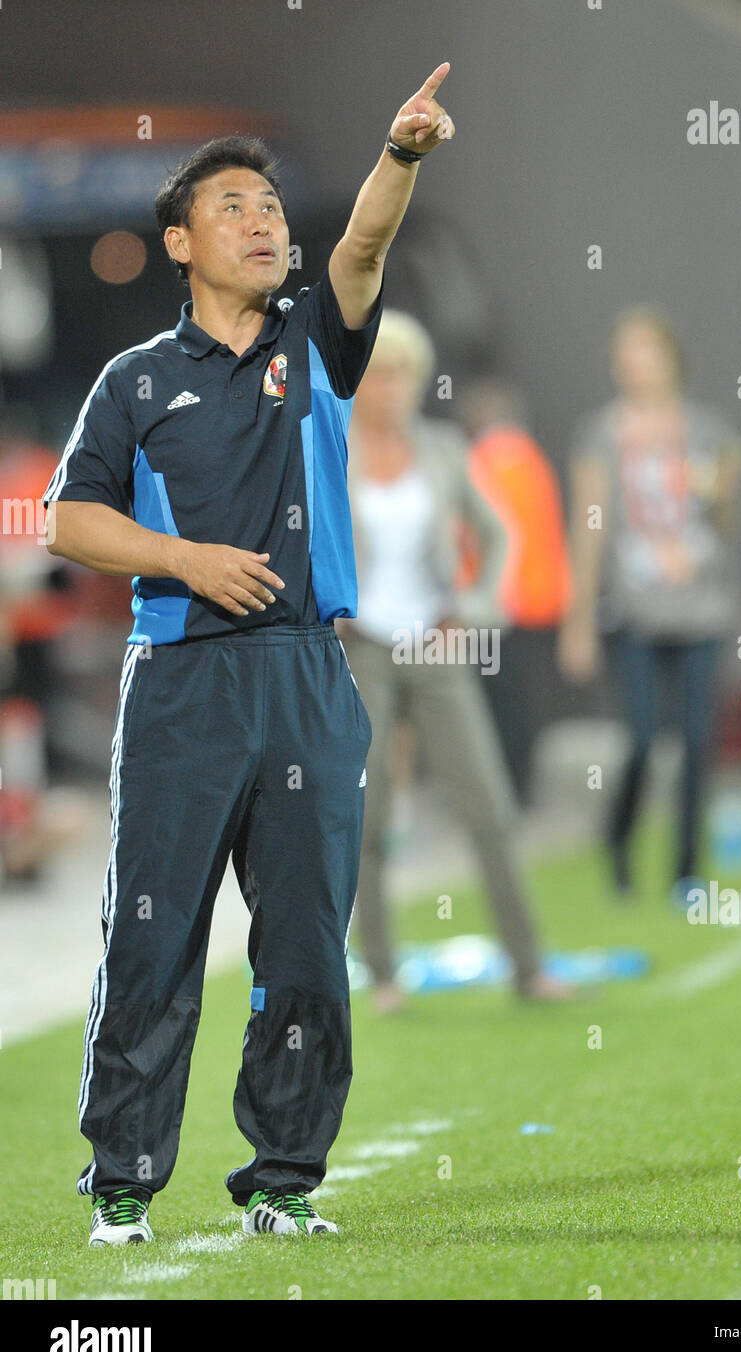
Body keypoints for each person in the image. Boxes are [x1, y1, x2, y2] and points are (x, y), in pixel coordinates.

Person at [42, 63, 457, 1247]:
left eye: (272, 209)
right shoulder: (135, 382)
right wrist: (186, 560)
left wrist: (401, 156)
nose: (263, 222)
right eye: (234, 208)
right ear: (179, 241)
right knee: (153, 935)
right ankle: (122, 1179)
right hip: (180, 682)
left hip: (307, 678)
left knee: (307, 947)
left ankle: (282, 1178)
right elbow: (70, 520)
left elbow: (366, 247)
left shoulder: (317, 344)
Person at [339, 312, 571, 1014]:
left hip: (434, 644)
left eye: (402, 373)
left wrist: (471, 609)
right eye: (378, 372)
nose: (390, 387)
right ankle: (379, 972)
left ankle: (527, 965)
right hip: (360, 648)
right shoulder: (329, 450)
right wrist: (326, 604)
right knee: (366, 812)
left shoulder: (441, 449)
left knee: (489, 805)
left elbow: (501, 537)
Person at [558, 306, 741, 895]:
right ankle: (618, 841)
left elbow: (726, 525)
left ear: (670, 359)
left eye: (646, 351)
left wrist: (719, 493)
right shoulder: (600, 434)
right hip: (631, 608)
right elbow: (588, 531)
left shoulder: (708, 432)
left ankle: (687, 871)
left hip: (699, 607)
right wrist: (579, 619)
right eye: (626, 353)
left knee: (696, 741)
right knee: (640, 741)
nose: (636, 365)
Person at [457, 379, 573, 806]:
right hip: (540, 599)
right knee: (524, 700)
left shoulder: (485, 462)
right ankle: (522, 789)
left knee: (498, 705)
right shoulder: (531, 459)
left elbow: (477, 535)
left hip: (501, 604)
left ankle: (507, 792)